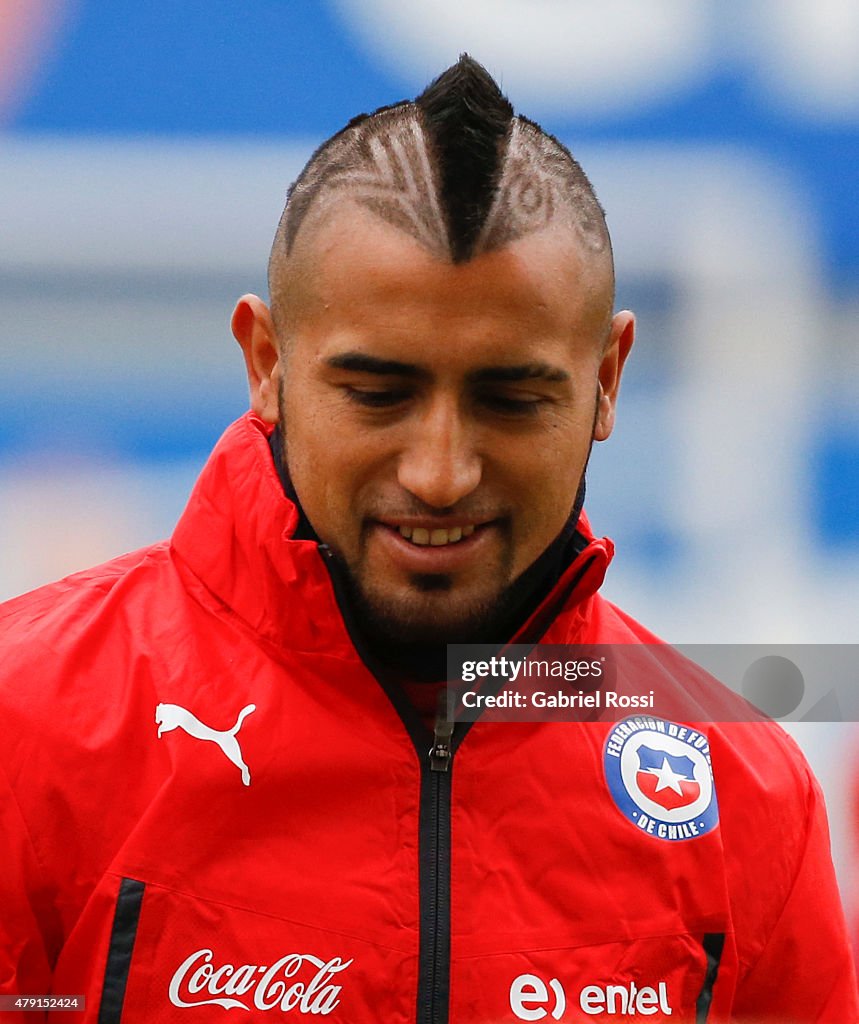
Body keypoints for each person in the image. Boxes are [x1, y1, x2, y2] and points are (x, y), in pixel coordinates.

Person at [0, 56, 855, 1024]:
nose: (440, 471)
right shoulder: (24, 725)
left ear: (608, 377)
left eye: (510, 398)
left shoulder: (739, 785)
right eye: (378, 394)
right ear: (266, 361)